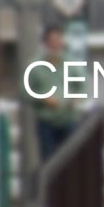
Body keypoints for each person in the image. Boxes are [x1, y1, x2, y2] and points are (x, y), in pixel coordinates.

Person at [30, 25, 81, 162]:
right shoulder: (35, 66)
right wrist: (43, 98)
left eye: (59, 40)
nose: (56, 44)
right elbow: (26, 91)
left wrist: (76, 98)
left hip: (68, 118)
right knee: (49, 159)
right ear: (45, 43)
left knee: (70, 158)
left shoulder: (72, 64)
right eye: (52, 41)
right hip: (46, 120)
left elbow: (82, 86)